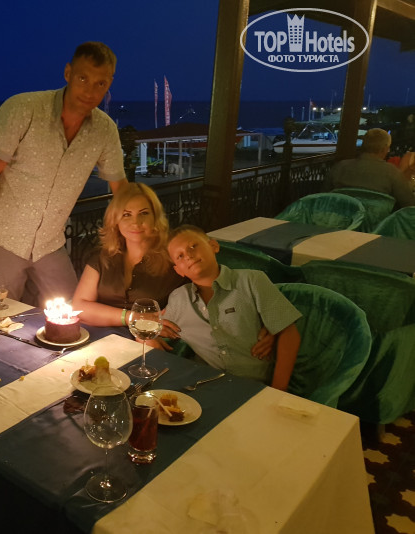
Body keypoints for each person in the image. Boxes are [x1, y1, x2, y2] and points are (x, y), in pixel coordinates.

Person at [0, 42, 128, 306]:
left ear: (109, 84)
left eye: (100, 83)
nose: (90, 91)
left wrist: (130, 241)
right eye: (83, 78)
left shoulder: (105, 130)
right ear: (68, 73)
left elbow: (122, 191)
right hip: (5, 240)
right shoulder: (23, 109)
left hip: (50, 244)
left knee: (74, 312)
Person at [159, 225, 301, 391]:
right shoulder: (178, 299)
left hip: (256, 385)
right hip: (207, 386)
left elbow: (288, 332)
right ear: (178, 270)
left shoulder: (251, 281)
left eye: (193, 246)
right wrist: (150, 335)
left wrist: (278, 390)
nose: (189, 255)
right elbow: (153, 327)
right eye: (180, 256)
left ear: (214, 246)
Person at [72, 183, 184, 326]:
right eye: (126, 215)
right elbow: (79, 307)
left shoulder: (174, 256)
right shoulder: (103, 256)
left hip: (152, 334)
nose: (135, 223)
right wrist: (134, 318)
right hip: (102, 335)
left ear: (155, 217)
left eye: (144, 213)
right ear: (115, 220)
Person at [326, 128, 415, 209]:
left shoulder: (340, 167)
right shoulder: (392, 172)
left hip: (341, 218)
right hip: (378, 221)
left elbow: (324, 196)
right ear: (384, 149)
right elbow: (409, 205)